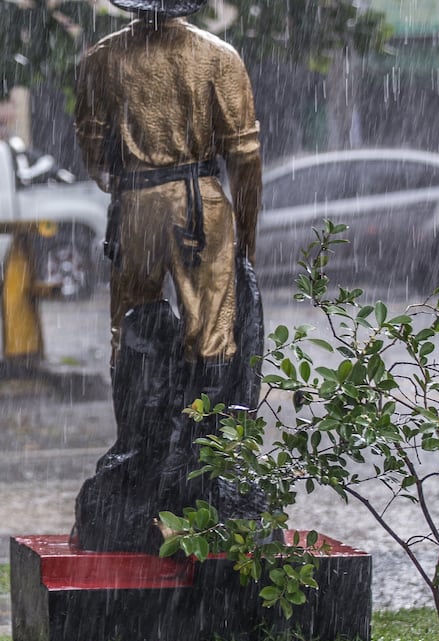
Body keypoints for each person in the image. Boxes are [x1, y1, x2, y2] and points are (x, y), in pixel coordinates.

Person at [73, 0, 262, 377]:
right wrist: (246, 236)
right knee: (212, 334)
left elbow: (92, 145)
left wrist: (120, 182)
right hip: (199, 205)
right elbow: (245, 155)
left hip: (136, 204)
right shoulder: (218, 56)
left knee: (131, 327)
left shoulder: (103, 57)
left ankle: (139, 411)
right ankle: (207, 412)